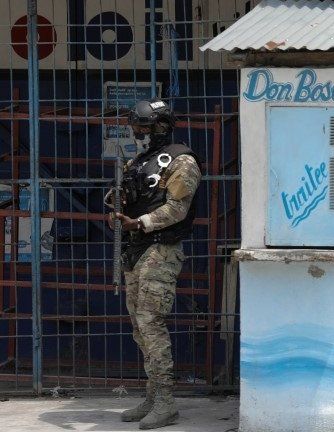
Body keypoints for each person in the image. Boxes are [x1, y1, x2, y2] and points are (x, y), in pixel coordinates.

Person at [106, 98, 201, 429]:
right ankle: (152, 396)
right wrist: (118, 208)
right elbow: (133, 196)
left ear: (162, 128)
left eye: (144, 127)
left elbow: (178, 208)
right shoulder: (140, 162)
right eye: (136, 127)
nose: (139, 133)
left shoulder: (182, 161)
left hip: (160, 249)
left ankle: (165, 402)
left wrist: (139, 222)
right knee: (140, 329)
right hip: (136, 250)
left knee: (151, 324)